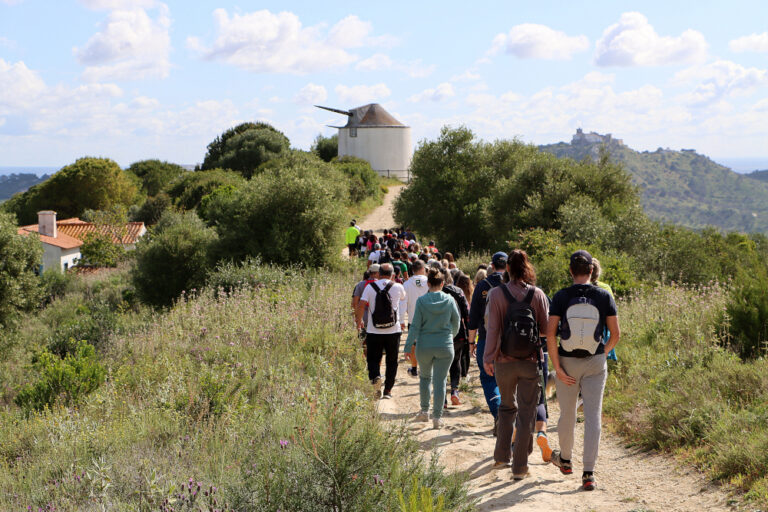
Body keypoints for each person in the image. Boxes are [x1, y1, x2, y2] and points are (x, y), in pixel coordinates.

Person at [546, 250, 621, 491]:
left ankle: (565, 460)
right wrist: (602, 352)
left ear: (570, 271)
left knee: (567, 414)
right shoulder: (603, 295)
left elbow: (550, 334)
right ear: (591, 271)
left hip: (567, 362)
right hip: (595, 362)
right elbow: (616, 334)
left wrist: (557, 368)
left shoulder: (560, 296)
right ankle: (589, 473)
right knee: (592, 415)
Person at [484, 249, 550, 479]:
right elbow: (544, 329)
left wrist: (488, 357)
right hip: (531, 360)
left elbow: (492, 329)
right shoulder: (538, 294)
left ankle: (502, 457)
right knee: (526, 412)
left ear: (507, 268)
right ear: (527, 267)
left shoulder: (495, 294)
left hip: (503, 361)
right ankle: (520, 467)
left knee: (506, 407)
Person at [404, 267, 460, 429]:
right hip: (445, 345)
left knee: (425, 378)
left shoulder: (421, 302)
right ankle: (437, 417)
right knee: (441, 381)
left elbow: (414, 326)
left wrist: (408, 346)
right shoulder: (450, 300)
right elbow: (456, 323)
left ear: (428, 284)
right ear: (442, 283)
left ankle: (424, 411)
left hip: (425, 345)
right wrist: (450, 337)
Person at [468, 251, 507, 433]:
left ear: (491, 265)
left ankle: (498, 413)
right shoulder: (515, 284)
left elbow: (474, 317)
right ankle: (510, 418)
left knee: (488, 378)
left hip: (486, 338)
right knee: (510, 378)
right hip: (511, 341)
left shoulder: (483, 285)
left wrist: (471, 342)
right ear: (507, 265)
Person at [356, 263, 407, 399]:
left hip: (374, 330)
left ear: (378, 274)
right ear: (393, 274)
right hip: (393, 331)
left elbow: (361, 304)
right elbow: (403, 298)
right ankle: (388, 390)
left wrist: (358, 321)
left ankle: (375, 378)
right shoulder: (398, 286)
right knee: (392, 360)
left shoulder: (369, 287)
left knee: (373, 359)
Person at [443, 270, 470, 405]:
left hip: (441, 334)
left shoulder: (435, 292)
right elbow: (466, 312)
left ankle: (442, 399)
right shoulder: (459, 291)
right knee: (456, 361)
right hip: (458, 333)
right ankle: (454, 391)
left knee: (440, 366)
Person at [403, 259, 429, 377]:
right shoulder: (430, 282)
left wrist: (401, 319)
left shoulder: (407, 284)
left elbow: (403, 303)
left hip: (413, 319)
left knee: (414, 344)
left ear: (412, 270)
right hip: (429, 318)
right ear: (423, 269)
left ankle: (414, 368)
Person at [590, 258, 617, 362]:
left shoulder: (579, 287)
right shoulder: (605, 288)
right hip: (602, 330)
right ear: (598, 272)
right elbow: (613, 312)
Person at [351, 266, 379, 344]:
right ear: (377, 273)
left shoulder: (360, 285)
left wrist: (357, 317)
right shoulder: (381, 284)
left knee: (363, 340)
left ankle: (364, 354)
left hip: (363, 317)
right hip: (378, 318)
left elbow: (355, 303)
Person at [455, 273, 475, 379]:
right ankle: (464, 374)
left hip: (459, 326)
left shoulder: (457, 294)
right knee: (466, 352)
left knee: (458, 353)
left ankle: (458, 373)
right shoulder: (472, 295)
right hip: (469, 326)